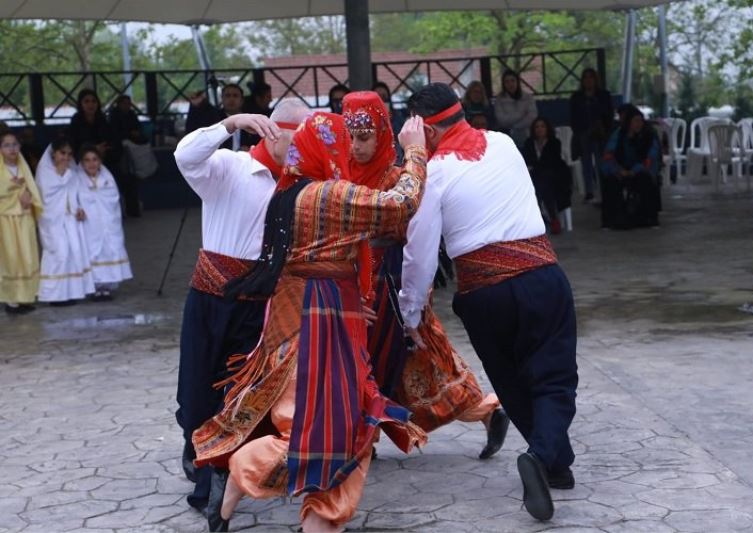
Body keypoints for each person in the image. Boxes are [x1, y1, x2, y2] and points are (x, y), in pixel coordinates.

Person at [191, 112, 429, 532]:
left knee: (343, 423)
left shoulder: (290, 192)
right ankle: (257, 482)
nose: (349, 150)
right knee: (335, 427)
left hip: (319, 311)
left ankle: (288, 505)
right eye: (342, 141)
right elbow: (402, 204)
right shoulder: (331, 195)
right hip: (323, 319)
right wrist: (416, 151)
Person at [399, 83, 579, 523]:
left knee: (513, 382)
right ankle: (543, 457)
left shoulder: (431, 176)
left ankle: (554, 462)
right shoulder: (504, 144)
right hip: (541, 277)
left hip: (484, 295)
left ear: (426, 130)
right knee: (554, 379)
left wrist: (409, 312)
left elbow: (418, 255)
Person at [342, 90, 509, 457]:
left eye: (365, 137)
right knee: (367, 365)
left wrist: (410, 301)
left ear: (385, 133)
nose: (356, 146)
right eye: (350, 136)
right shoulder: (337, 171)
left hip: (390, 285)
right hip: (351, 288)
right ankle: (361, 440)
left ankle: (486, 410)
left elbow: (417, 241)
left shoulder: (400, 177)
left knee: (421, 365)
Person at [173, 99, 309, 518]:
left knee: (237, 400)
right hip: (210, 300)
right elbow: (185, 155)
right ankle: (194, 443)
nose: (304, 146)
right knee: (194, 395)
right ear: (275, 131)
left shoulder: (302, 184)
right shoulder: (229, 167)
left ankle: (211, 484)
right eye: (299, 136)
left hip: (261, 309)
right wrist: (228, 122)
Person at [35, 139, 95, 305]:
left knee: (73, 255)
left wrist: (80, 207)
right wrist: (63, 174)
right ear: (53, 153)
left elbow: (77, 193)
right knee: (58, 256)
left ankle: (71, 292)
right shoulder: (45, 173)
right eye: (62, 153)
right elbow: (46, 197)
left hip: (71, 220)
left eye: (69, 154)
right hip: (53, 222)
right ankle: (54, 295)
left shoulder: (72, 171)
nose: (66, 157)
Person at [75, 144, 133, 300]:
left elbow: (113, 199)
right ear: (81, 162)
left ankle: (106, 287)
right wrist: (78, 208)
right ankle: (94, 286)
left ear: (100, 161)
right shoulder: (77, 180)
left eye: (94, 159)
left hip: (108, 224)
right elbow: (73, 199)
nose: (91, 163)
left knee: (108, 250)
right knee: (92, 252)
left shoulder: (108, 179)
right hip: (89, 225)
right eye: (87, 160)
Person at [0, 129, 43, 314]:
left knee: (27, 255)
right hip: (6, 220)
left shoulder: (23, 167)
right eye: (6, 145)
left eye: (15, 144)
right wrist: (15, 189)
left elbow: (32, 188)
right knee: (10, 258)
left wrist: (28, 197)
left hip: (24, 218)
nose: (11, 149)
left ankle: (26, 296)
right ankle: (11, 300)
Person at [600, 107, 661, 229]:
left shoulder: (649, 136)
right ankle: (614, 219)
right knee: (610, 181)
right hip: (621, 169)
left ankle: (647, 218)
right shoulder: (619, 134)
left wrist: (634, 171)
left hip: (640, 170)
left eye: (640, 121)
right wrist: (618, 170)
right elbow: (608, 155)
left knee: (644, 180)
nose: (639, 124)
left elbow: (651, 158)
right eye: (635, 121)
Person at [521, 117, 573, 235]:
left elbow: (551, 161)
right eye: (537, 127)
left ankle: (544, 219)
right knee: (540, 186)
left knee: (543, 184)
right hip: (535, 176)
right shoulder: (529, 143)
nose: (539, 129)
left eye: (542, 126)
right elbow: (527, 159)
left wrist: (536, 166)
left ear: (547, 128)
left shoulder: (554, 142)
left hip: (553, 176)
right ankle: (551, 218)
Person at [569, 68, 614, 203]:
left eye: (591, 77)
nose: (588, 80)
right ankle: (589, 192)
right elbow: (573, 116)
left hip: (600, 134)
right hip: (584, 134)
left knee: (602, 163)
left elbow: (609, 114)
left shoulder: (603, 95)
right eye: (586, 78)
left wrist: (604, 128)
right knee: (586, 165)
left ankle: (604, 191)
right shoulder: (577, 97)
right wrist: (579, 131)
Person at [185, 84, 259, 150]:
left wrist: (250, 149)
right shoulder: (213, 118)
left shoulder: (249, 119)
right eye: (227, 96)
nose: (231, 99)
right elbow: (193, 134)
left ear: (242, 100)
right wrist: (194, 106)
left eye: (235, 96)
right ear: (222, 99)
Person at [107, 94, 143, 217]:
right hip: (120, 151)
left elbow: (138, 129)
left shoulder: (132, 115)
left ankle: (133, 208)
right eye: (125, 103)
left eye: (129, 103)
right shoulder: (114, 116)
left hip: (131, 146)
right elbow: (115, 133)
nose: (127, 106)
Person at [494, 70, 538, 147]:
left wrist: (515, 127)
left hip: (527, 134)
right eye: (507, 82)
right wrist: (521, 114)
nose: (510, 84)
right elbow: (501, 120)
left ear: (517, 82)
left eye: (512, 80)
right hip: (507, 136)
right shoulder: (499, 100)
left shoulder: (528, 97)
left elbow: (532, 117)